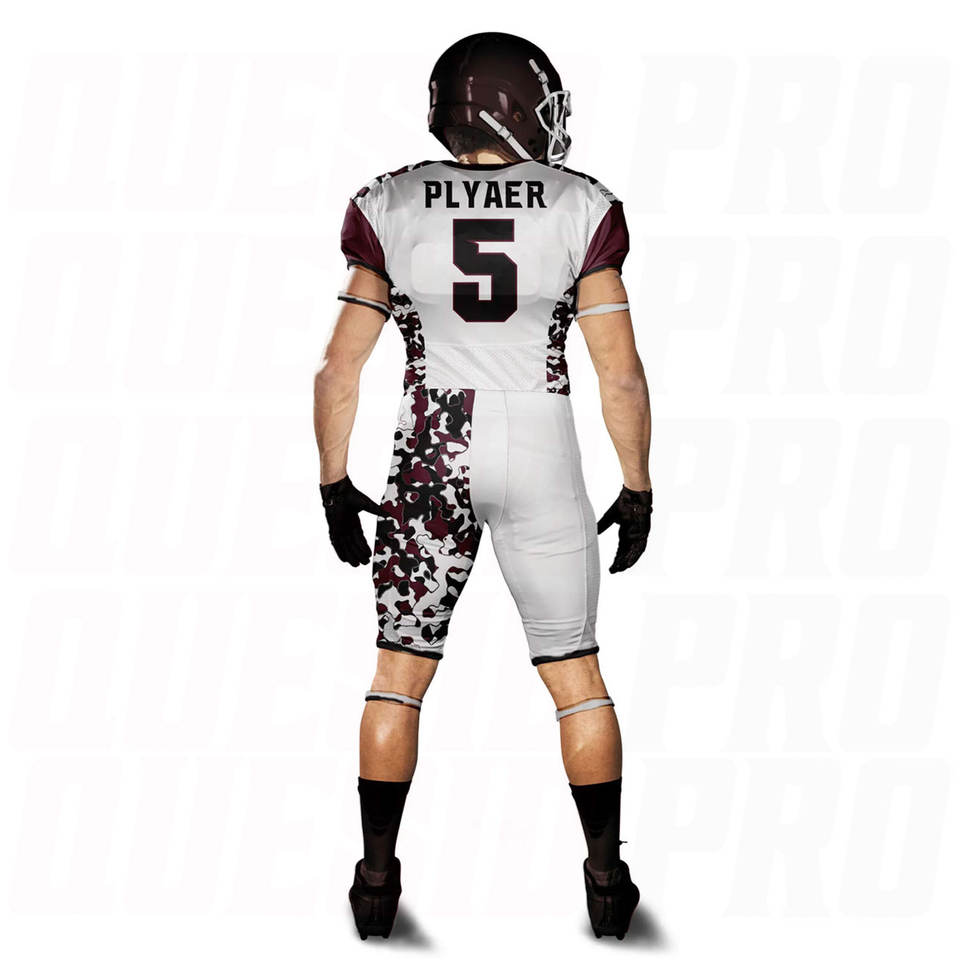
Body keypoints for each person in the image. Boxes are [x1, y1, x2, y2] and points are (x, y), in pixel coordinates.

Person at [313, 32, 653, 940]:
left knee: (397, 675)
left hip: (432, 443)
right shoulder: (581, 204)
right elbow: (619, 373)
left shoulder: (390, 202)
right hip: (539, 437)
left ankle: (375, 884)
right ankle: (606, 883)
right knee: (578, 678)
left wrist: (334, 481)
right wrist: (638, 483)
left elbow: (339, 369)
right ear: (516, 106)